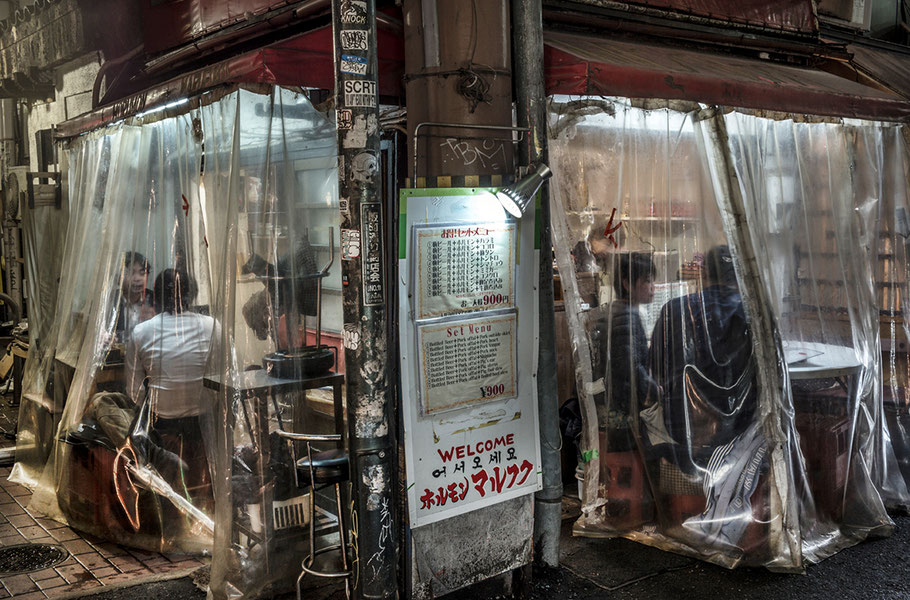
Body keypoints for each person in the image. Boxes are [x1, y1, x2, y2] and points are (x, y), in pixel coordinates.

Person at [650, 244, 756, 471]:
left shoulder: (673, 310)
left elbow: (656, 370)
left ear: (704, 273)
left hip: (682, 425)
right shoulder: (755, 314)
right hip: (740, 427)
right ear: (740, 273)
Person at [124, 268, 217, 518]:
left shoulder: (141, 332)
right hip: (203, 427)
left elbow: (134, 392)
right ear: (192, 294)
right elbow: (224, 380)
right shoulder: (212, 327)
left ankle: (164, 504)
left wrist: (160, 400)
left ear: (155, 298)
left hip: (164, 428)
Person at [592, 252, 661, 452]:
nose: (652, 287)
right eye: (647, 281)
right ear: (627, 284)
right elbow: (630, 366)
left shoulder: (622, 312)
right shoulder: (626, 316)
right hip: (620, 411)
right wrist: (656, 391)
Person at [115, 251, 155, 342]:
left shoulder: (155, 300)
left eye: (142, 273)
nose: (137, 279)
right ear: (119, 277)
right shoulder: (110, 301)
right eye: (130, 273)